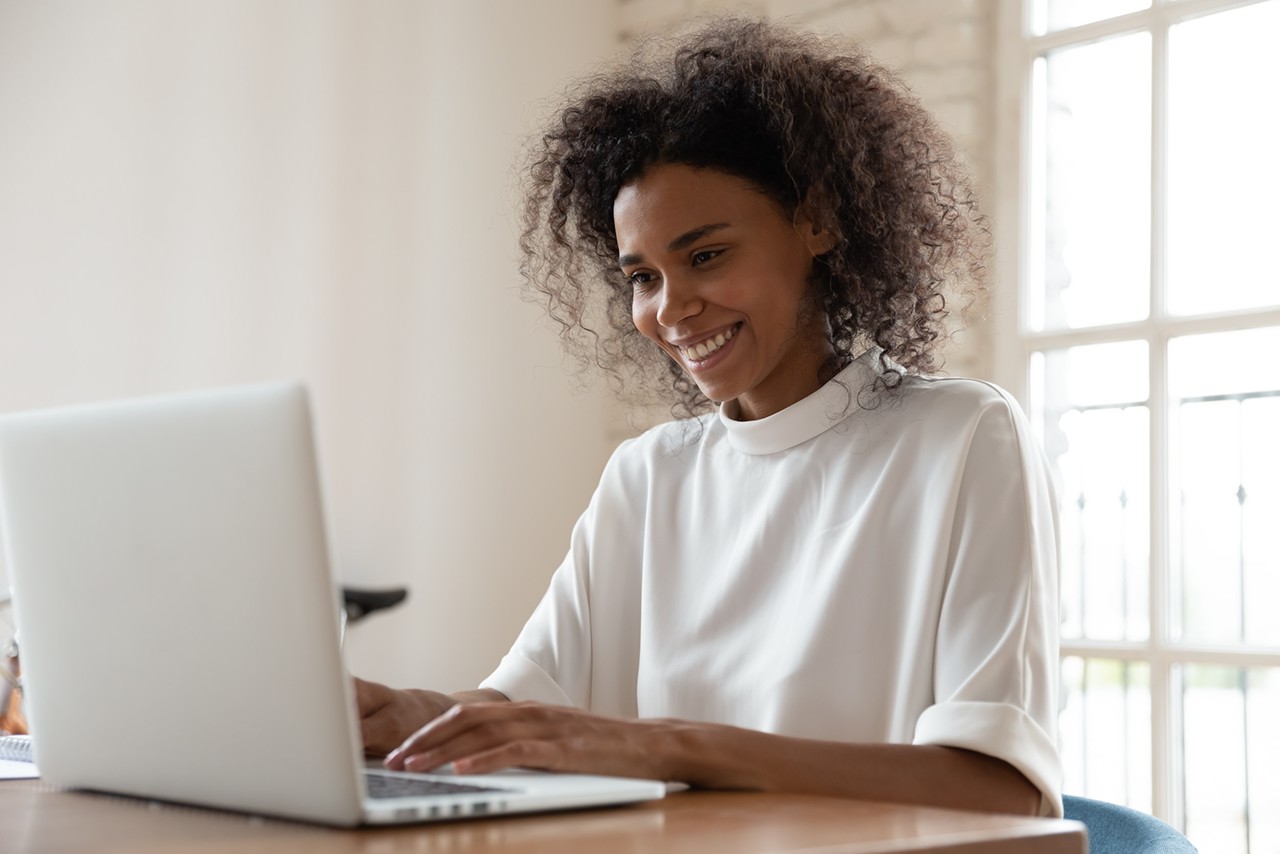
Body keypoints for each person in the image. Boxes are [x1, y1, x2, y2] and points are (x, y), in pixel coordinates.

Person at [356, 17, 1062, 817]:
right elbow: (522, 713)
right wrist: (404, 716)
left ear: (819, 221)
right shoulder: (651, 475)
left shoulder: (963, 440)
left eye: (705, 255)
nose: (670, 308)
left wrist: (671, 744)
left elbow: (1002, 788)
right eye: (643, 276)